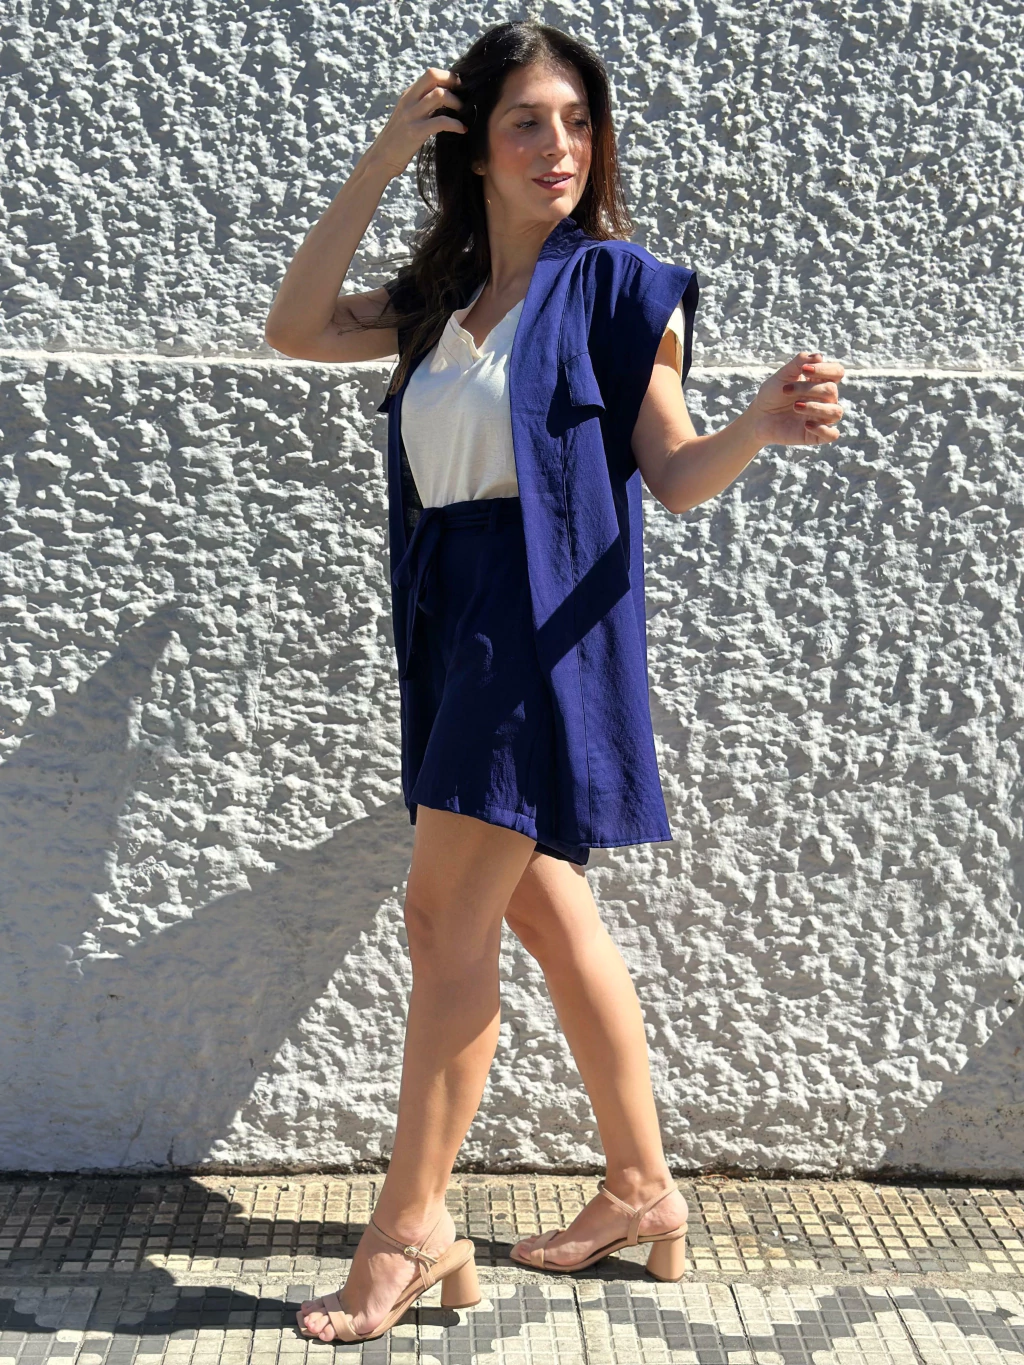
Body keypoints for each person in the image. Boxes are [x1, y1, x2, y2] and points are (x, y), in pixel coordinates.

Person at [265, 20, 844, 1347]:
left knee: (440, 924)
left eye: (578, 122)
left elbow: (673, 474)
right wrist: (379, 160)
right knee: (536, 902)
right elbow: (295, 327)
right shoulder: (445, 298)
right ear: (473, 146)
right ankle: (641, 1188)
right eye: (526, 121)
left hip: (533, 625)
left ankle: (411, 1230)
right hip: (448, 622)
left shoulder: (618, 287)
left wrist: (754, 427)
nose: (559, 147)